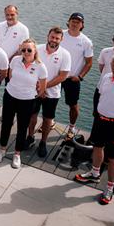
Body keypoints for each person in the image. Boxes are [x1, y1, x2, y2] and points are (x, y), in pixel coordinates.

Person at [75, 53, 114, 205]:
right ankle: (95, 173)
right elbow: (100, 94)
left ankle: (109, 188)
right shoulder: (106, 78)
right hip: (100, 121)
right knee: (97, 147)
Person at [0, 39, 47, 169]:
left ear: (35, 51)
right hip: (10, 96)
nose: (26, 52)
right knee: (6, 123)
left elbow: (42, 88)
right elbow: (10, 77)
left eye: (29, 50)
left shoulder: (40, 67)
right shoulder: (15, 60)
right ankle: (2, 149)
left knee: (22, 127)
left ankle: (17, 154)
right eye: (23, 50)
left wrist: (29, 95)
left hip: (27, 100)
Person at [29, 27, 71, 157]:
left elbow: (62, 76)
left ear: (61, 39)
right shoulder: (37, 49)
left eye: (57, 38)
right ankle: (30, 137)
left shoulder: (65, 54)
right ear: (48, 36)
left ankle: (43, 142)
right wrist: (38, 87)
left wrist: (44, 87)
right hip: (34, 90)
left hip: (52, 93)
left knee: (47, 119)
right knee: (32, 116)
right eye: (52, 37)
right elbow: (30, 66)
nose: (54, 40)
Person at [59, 12, 94, 138]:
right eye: (73, 21)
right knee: (50, 101)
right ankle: (49, 122)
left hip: (72, 79)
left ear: (82, 25)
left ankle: (72, 127)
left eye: (78, 22)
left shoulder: (86, 42)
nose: (74, 24)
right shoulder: (60, 34)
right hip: (57, 76)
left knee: (73, 105)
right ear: (68, 22)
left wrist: (79, 77)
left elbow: (89, 63)